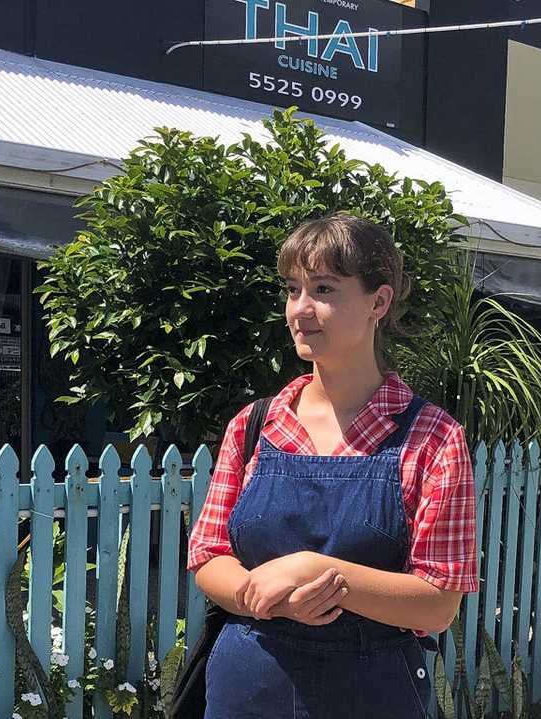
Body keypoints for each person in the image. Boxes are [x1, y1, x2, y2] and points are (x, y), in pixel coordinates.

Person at [186, 213, 478, 718]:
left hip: (371, 693)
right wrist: (269, 600)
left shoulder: (432, 438)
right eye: (293, 289)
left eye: (324, 288)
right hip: (249, 685)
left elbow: (437, 602)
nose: (301, 309)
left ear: (378, 302)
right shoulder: (254, 426)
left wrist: (317, 571)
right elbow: (208, 557)